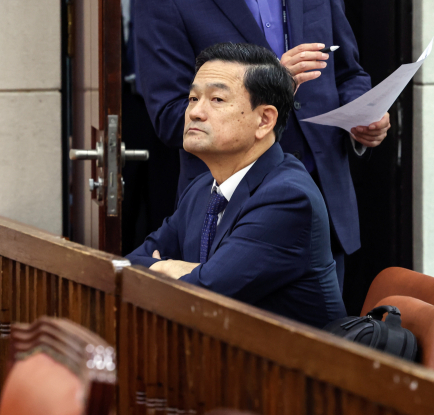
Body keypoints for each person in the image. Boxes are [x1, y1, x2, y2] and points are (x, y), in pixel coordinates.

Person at [133, 0, 391, 294]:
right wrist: (273, 82)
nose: (198, 107)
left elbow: (348, 74)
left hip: (326, 194)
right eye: (199, 99)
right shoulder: (163, 5)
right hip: (227, 199)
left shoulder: (297, 197)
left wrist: (362, 113)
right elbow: (170, 115)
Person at [126, 43, 346, 328]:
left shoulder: (288, 197)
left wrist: (178, 270)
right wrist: (178, 269)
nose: (195, 112)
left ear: (264, 120)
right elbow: (131, 264)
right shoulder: (202, 188)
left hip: (288, 355)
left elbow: (205, 294)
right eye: (193, 98)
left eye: (217, 99)